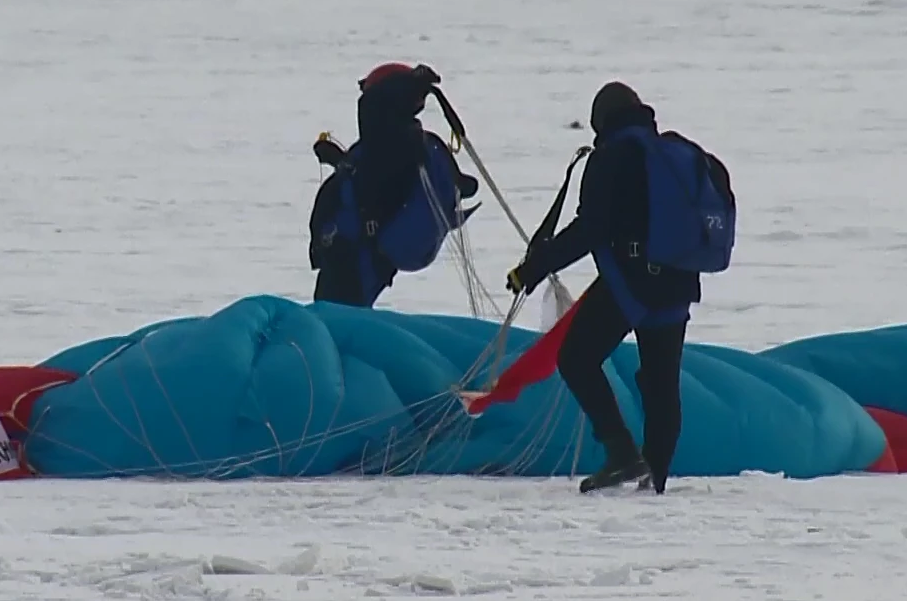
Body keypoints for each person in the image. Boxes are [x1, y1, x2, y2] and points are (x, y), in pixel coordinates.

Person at [506, 82, 735, 494]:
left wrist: (534, 269)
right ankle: (656, 478)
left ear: (601, 123)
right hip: (680, 281)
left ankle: (622, 452)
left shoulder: (610, 159)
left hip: (631, 283)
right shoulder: (679, 155)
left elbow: (589, 231)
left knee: (576, 358)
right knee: (662, 382)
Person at [309, 62, 481, 308]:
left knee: (335, 318)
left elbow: (369, 186)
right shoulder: (413, 145)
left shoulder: (394, 147)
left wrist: (338, 161)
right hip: (371, 259)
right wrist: (340, 160)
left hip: (353, 257)